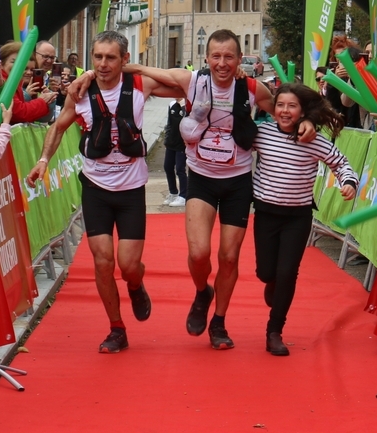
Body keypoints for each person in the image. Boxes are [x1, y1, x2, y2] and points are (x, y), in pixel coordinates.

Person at [95, 29, 314, 349]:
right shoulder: (192, 81)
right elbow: (142, 70)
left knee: (228, 257)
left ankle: (219, 323)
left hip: (238, 182)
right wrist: (99, 71)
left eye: (229, 57)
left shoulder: (252, 87)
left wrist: (306, 122)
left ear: (240, 60)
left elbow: (288, 109)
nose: (222, 63)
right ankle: (202, 292)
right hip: (201, 178)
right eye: (216, 56)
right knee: (199, 253)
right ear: (206, 58)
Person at [25, 31, 169, 353]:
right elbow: (58, 126)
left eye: (111, 58)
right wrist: (44, 160)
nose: (103, 64)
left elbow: (183, 81)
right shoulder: (80, 93)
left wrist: (139, 70)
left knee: (129, 264)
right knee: (103, 262)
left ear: (123, 60)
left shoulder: (138, 85)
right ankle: (117, 328)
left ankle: (135, 284)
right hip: (96, 189)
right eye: (97, 58)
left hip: (131, 189)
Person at [252, 84, 357, 356]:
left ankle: (274, 331)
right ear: (273, 109)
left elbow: (341, 163)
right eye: (280, 105)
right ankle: (271, 282)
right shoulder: (262, 133)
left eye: (292, 106)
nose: (285, 111)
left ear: (302, 111)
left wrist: (348, 182)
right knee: (266, 272)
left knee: (288, 273)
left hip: (297, 217)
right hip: (265, 213)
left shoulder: (315, 140)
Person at [0, 41, 57, 123]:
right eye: (13, 62)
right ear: (1, 63)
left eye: (32, 70)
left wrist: (50, 100)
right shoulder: (1, 83)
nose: (29, 72)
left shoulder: (16, 83)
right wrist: (34, 98)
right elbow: (18, 113)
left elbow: (42, 119)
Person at [163, 99, 188, 207]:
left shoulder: (187, 105)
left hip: (182, 144)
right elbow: (169, 123)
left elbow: (188, 121)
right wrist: (167, 139)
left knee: (180, 169)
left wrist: (183, 106)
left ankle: (184, 195)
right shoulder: (171, 104)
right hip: (171, 143)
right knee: (168, 167)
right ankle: (173, 192)